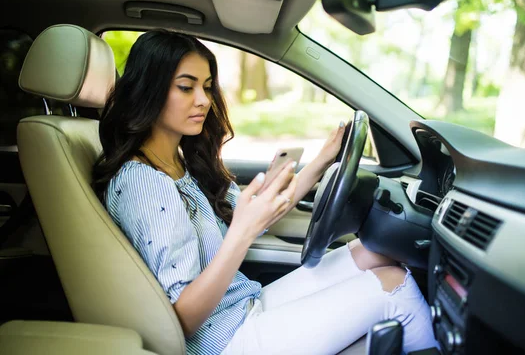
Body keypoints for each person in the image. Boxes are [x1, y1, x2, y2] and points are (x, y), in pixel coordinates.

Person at [93, 30, 437, 355]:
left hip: (243, 305)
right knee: (394, 284)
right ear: (149, 90)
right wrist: (240, 234)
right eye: (186, 87)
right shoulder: (146, 184)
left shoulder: (180, 164)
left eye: (208, 87)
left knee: (373, 251)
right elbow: (181, 321)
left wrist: (320, 163)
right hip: (225, 341)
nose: (203, 100)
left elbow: (256, 216)